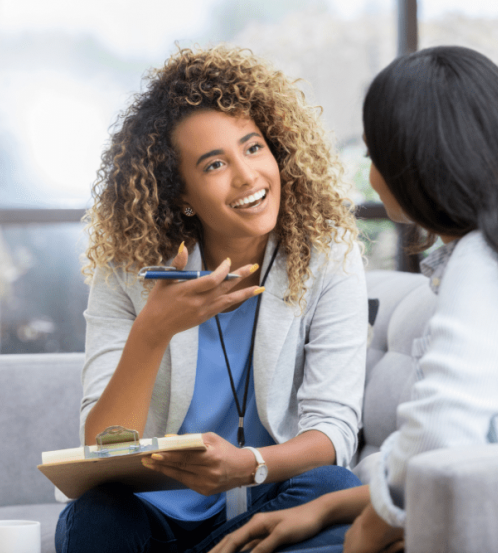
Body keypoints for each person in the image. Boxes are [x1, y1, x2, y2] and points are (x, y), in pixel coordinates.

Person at [210, 45, 498, 553]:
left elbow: (441, 430)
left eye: (374, 154)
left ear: (418, 165)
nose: (370, 170)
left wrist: (372, 527)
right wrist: (325, 508)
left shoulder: (484, 263)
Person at [54, 45, 368, 553]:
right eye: (215, 163)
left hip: (266, 508)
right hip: (154, 517)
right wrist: (152, 331)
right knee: (94, 517)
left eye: (253, 148)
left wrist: (250, 466)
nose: (247, 176)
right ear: (180, 193)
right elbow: (99, 450)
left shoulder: (329, 256)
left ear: (277, 150)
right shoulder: (128, 270)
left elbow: (334, 433)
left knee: (334, 488)